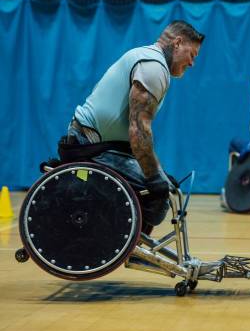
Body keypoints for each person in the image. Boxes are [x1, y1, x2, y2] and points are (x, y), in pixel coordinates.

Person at [60, 20, 204, 229]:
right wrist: (154, 177)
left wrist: (158, 172)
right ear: (178, 43)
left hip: (103, 144)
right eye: (193, 54)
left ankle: (134, 247)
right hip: (90, 145)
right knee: (159, 198)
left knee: (164, 183)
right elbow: (138, 131)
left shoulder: (148, 59)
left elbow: (136, 138)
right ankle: (131, 249)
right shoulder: (154, 66)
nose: (192, 63)